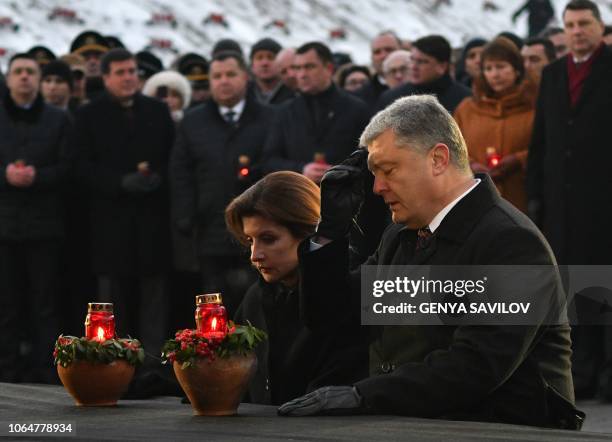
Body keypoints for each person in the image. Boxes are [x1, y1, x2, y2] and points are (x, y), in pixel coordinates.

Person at [277, 95, 582, 429]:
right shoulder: (402, 234)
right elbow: (332, 317)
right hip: (422, 424)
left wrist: (363, 395)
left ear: (438, 159)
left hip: (503, 430)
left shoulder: (510, 241)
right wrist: (330, 235)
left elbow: (476, 366)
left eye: (388, 170)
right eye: (373, 174)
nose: (377, 188)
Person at [526, 0, 612, 400]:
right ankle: (582, 372)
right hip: (562, 202)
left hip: (602, 200)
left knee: (605, 287)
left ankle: (607, 372)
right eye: (571, 24)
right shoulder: (554, 73)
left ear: (599, 25)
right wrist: (537, 196)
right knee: (575, 286)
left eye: (584, 23)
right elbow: (542, 138)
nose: (577, 30)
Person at [226, 171, 367, 405]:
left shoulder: (352, 287)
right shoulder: (257, 296)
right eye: (250, 241)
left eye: (268, 239)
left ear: (308, 232)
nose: (255, 255)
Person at [74, 48, 174, 355]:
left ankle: (154, 364)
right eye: (121, 72)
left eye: (132, 71)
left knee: (154, 298)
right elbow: (80, 166)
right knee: (112, 301)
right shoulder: (89, 115)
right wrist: (119, 183)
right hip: (110, 223)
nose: (129, 78)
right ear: (105, 77)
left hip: (151, 222)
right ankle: (115, 362)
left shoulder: (157, 110)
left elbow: (173, 156)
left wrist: (158, 177)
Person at [170, 50, 273, 316]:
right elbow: (180, 172)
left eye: (230, 74)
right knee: (212, 307)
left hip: (259, 228)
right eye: (217, 76)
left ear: (245, 77)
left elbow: (275, 164)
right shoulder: (193, 121)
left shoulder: (269, 117)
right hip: (209, 228)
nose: (223, 81)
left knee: (257, 302)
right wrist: (185, 217)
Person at [0, 54, 73, 383]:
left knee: (46, 303)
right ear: (9, 78)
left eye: (31, 72)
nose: (25, 77)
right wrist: (5, 174)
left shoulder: (58, 119)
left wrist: (38, 176)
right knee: (7, 304)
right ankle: (8, 369)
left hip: (44, 227)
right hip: (4, 227)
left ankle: (48, 370)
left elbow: (69, 166)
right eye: (19, 72)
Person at [263, 41, 369, 183]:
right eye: (298, 68)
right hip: (300, 197)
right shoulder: (284, 112)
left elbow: (370, 158)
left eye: (309, 67)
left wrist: (340, 172)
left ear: (329, 68)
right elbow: (269, 161)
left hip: (345, 196)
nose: (302, 74)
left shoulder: (356, 109)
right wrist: (301, 169)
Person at [454, 37, 538, 213]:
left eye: (501, 67)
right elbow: (451, 147)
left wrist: (519, 160)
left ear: (516, 69)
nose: (495, 74)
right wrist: (470, 165)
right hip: (476, 200)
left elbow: (547, 147)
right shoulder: (467, 109)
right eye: (488, 68)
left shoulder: (535, 105)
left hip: (523, 199)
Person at [377, 35, 471, 113]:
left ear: (442, 66)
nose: (413, 67)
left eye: (422, 62)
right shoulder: (392, 99)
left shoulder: (466, 101)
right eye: (412, 60)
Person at [355, 31, 401, 107]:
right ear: (371, 58)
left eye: (389, 50)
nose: (383, 56)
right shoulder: (359, 98)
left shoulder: (422, 88)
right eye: (377, 52)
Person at [249, 38, 295, 105]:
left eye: (271, 57)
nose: (265, 63)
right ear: (252, 65)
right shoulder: (242, 94)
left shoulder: (294, 92)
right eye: (259, 58)